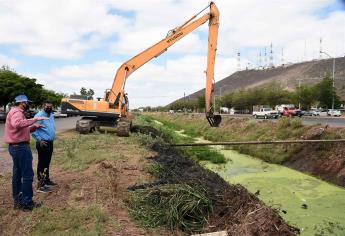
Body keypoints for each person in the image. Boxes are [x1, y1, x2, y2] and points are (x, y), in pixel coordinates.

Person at [4, 94, 48, 211]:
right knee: (27, 175)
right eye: (27, 102)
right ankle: (27, 203)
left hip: (15, 147)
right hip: (21, 148)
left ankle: (18, 201)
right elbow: (17, 124)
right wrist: (35, 119)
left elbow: (19, 128)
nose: (29, 104)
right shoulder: (17, 112)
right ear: (22, 102)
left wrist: (34, 127)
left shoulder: (13, 112)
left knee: (17, 175)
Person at [32, 100, 57, 192]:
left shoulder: (51, 115)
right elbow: (33, 130)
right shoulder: (39, 116)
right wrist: (39, 140)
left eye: (50, 106)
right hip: (43, 143)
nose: (49, 108)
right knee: (42, 163)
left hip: (50, 142)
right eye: (47, 106)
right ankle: (41, 185)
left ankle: (46, 180)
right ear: (43, 106)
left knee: (47, 162)